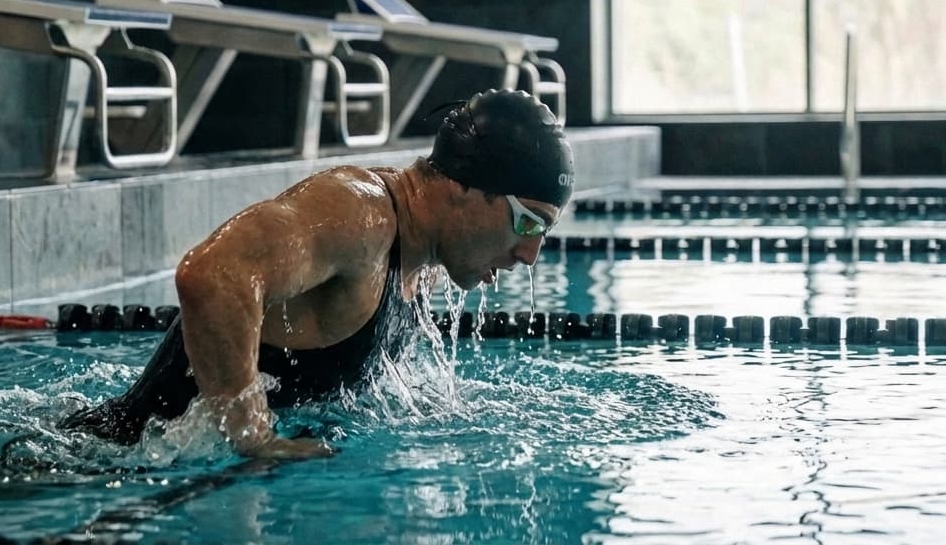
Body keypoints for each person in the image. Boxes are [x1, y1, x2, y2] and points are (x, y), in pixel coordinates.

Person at [62, 89, 575, 458]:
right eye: (528, 222)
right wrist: (253, 438)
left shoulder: (422, 258)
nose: (529, 254)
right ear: (466, 187)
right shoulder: (361, 214)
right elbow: (212, 274)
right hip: (104, 465)